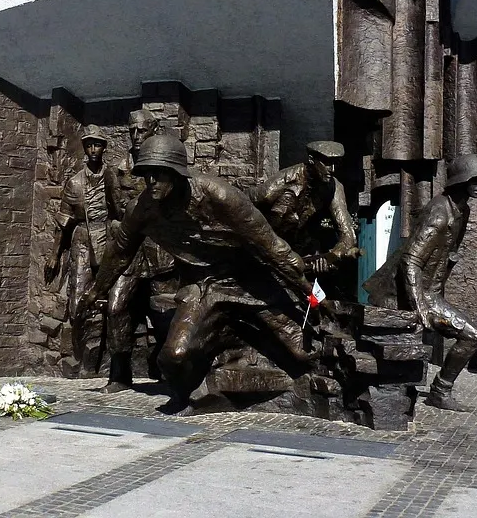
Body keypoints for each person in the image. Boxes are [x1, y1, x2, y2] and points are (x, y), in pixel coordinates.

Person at [76, 134, 312, 413]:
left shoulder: (219, 195)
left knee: (302, 352)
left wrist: (308, 291)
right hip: (202, 287)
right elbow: (119, 254)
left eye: (159, 174)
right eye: (147, 174)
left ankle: (238, 342)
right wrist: (94, 292)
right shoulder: (141, 210)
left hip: (249, 280)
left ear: (177, 174)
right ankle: (203, 375)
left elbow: (272, 246)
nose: (151, 182)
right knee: (173, 357)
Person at [368, 155, 477, 410]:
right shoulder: (439, 214)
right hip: (409, 295)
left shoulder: (461, 209)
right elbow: (410, 261)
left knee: (473, 338)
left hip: (429, 293)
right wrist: (419, 307)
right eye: (476, 180)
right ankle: (438, 391)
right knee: (474, 337)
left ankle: (440, 391)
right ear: (462, 181)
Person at [102, 110, 178, 393]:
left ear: (153, 131)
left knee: (164, 313)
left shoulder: (165, 167)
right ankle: (120, 375)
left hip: (159, 250)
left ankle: (172, 373)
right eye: (131, 131)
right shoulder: (115, 170)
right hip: (129, 253)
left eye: (141, 131)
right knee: (116, 307)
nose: (135, 136)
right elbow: (113, 213)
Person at [46, 125, 119, 374]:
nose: (93, 149)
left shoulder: (112, 178)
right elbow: (63, 220)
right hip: (82, 240)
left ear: (104, 147)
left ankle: (107, 362)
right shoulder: (75, 182)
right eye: (89, 145)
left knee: (111, 302)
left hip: (107, 239)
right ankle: (81, 359)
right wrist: (54, 254)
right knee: (77, 302)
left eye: (97, 144)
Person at [248, 141, 358, 279]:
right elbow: (250, 200)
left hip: (301, 252)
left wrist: (333, 255)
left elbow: (348, 235)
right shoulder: (286, 180)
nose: (333, 169)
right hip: (267, 248)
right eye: (327, 163)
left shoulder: (334, 187)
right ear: (312, 160)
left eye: (337, 163)